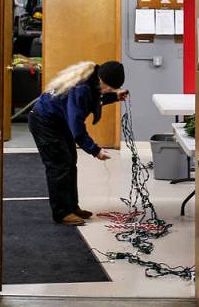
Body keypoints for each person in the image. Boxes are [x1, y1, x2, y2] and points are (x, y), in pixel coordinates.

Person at [29, 60, 128, 225]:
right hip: (44, 123)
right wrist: (95, 150)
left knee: (70, 162)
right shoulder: (81, 88)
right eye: (109, 87)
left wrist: (114, 97)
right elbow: (77, 127)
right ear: (101, 79)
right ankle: (62, 213)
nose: (108, 90)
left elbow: (95, 99)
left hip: (58, 122)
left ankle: (72, 207)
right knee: (59, 165)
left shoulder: (93, 80)